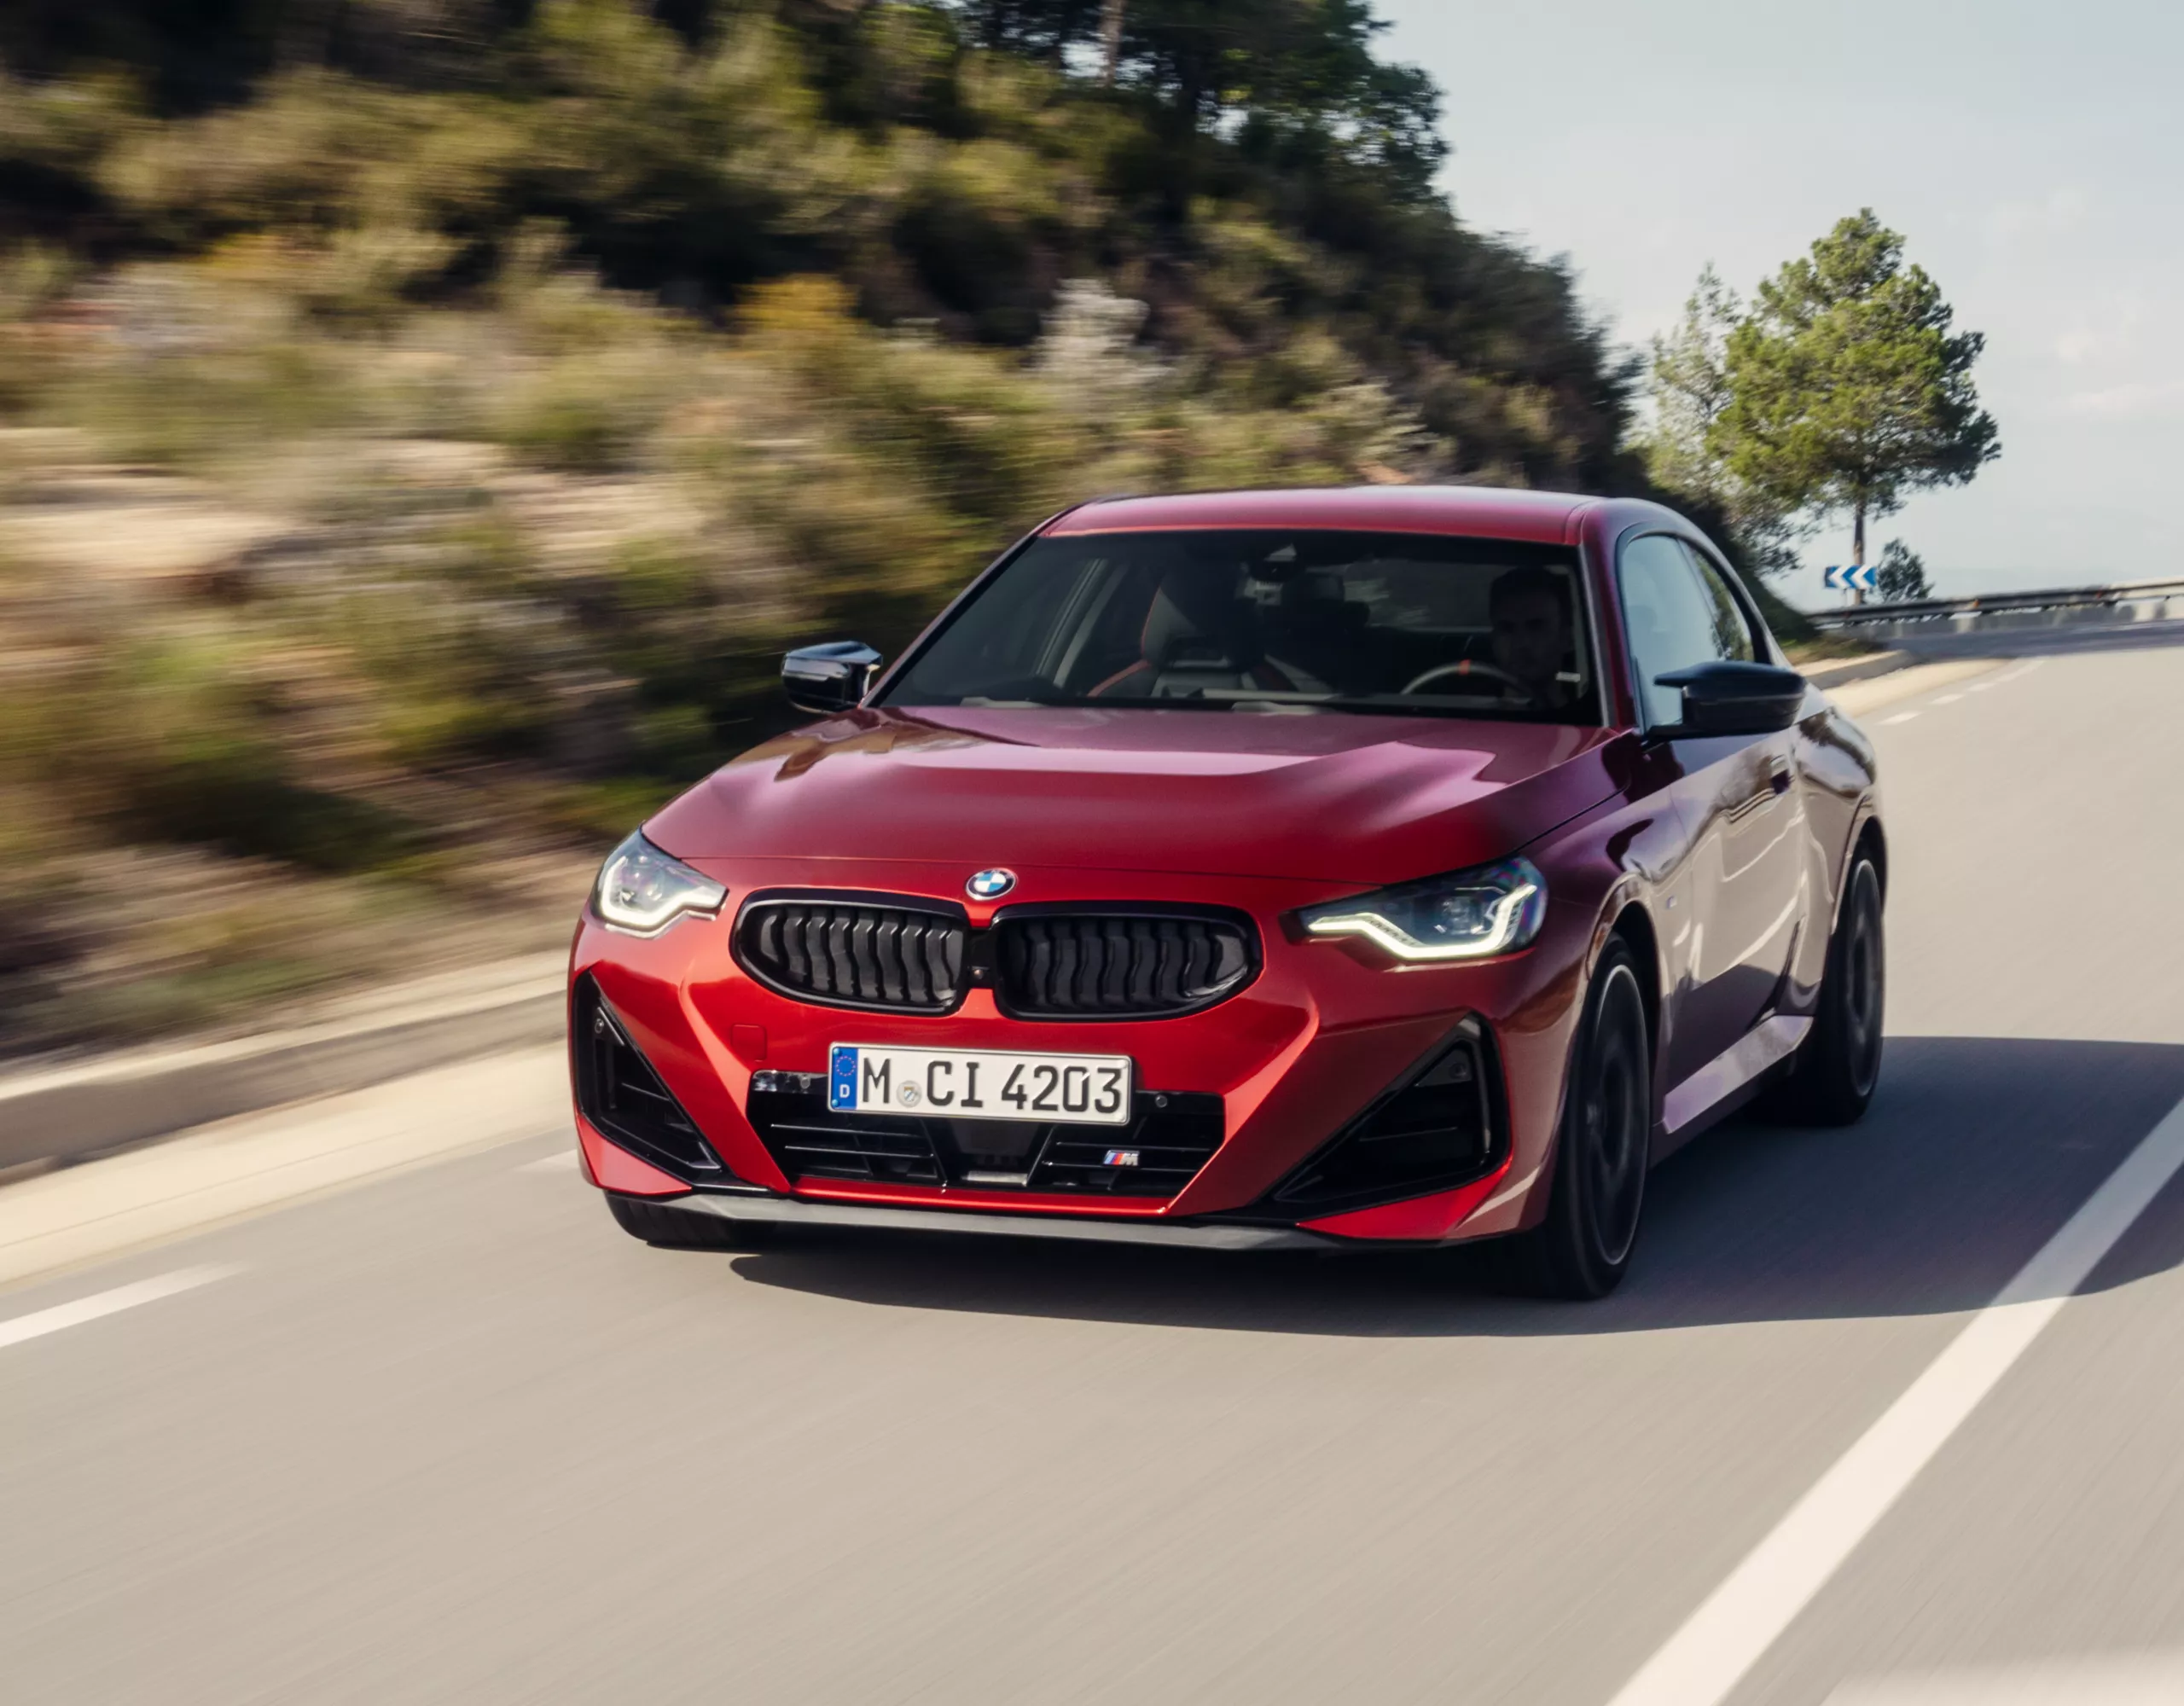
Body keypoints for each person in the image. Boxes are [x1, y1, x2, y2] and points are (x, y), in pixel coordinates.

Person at [1487, 566, 1577, 711]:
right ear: (1494, 641)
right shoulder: (1465, 718)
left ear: (1568, 638)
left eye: (1536, 627)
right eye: (1507, 629)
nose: (1521, 643)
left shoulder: (1595, 717)